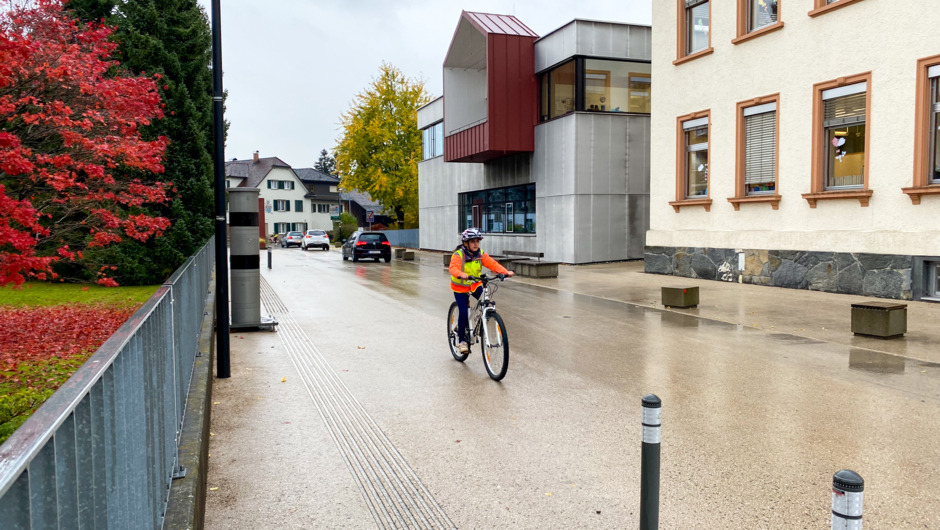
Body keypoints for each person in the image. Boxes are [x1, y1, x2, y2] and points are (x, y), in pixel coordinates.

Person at [448, 228, 514, 354]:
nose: (476, 244)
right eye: (472, 241)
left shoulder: (480, 254)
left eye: (477, 241)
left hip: (473, 284)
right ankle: (462, 340)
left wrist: (505, 272)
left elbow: (492, 264)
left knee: (486, 302)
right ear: (465, 243)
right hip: (460, 287)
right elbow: (452, 268)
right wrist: (460, 274)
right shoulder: (458, 255)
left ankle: (481, 319)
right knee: (463, 312)